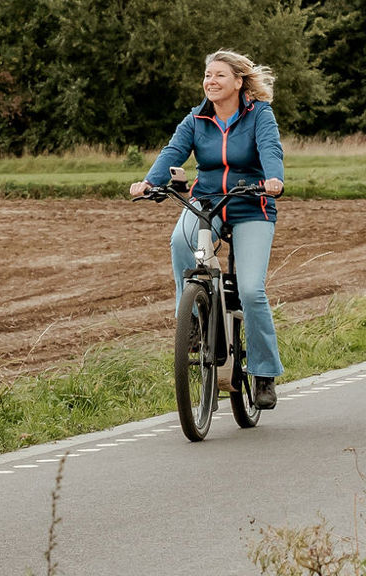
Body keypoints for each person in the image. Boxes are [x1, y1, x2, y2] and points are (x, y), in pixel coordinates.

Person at [131, 49, 286, 408]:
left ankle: (264, 372)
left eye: (218, 75)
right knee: (179, 242)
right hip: (208, 200)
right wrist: (150, 182)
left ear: (238, 81)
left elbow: (270, 149)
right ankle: (195, 323)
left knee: (250, 290)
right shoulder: (197, 118)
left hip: (251, 203)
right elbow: (173, 152)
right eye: (207, 76)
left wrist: (274, 178)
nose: (210, 82)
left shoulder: (260, 114)